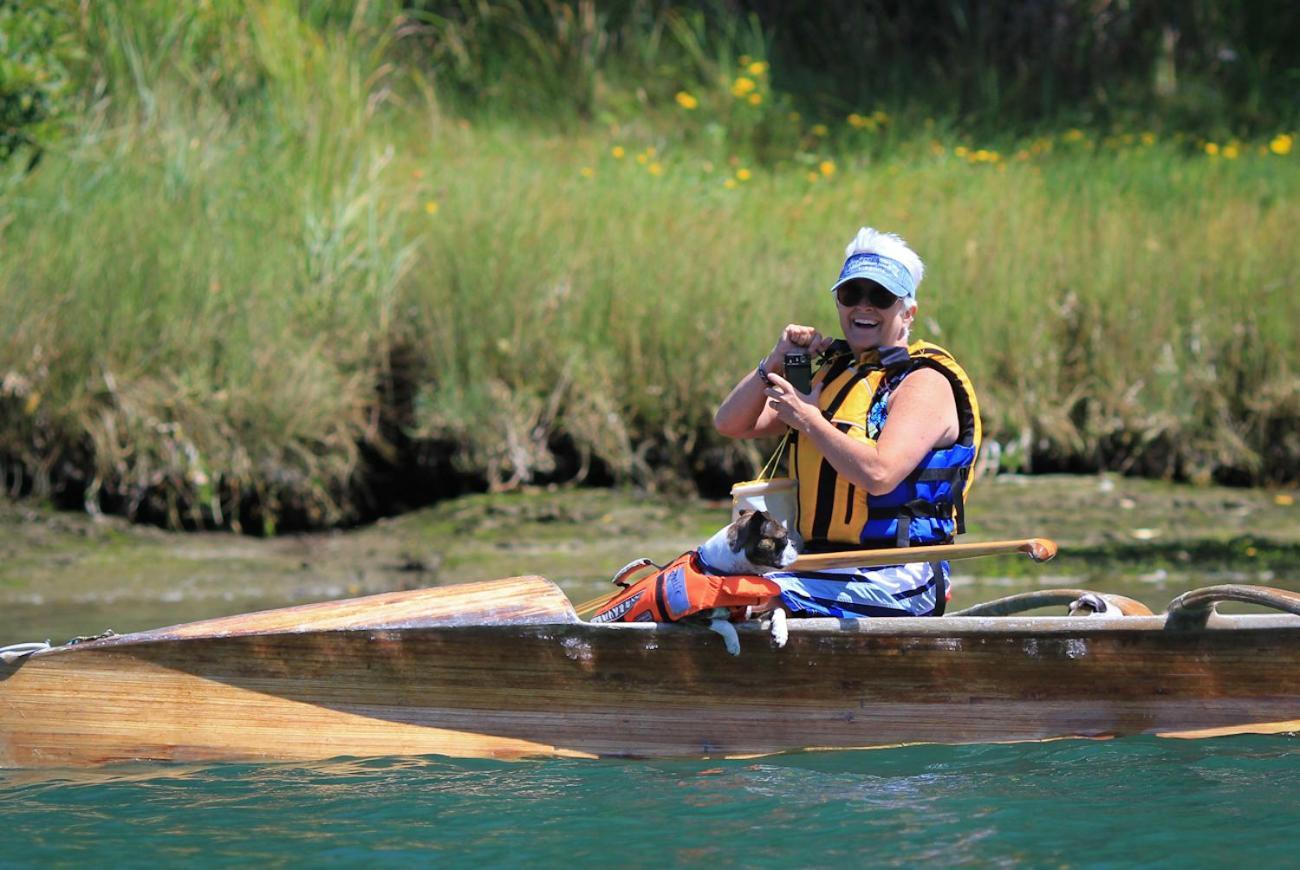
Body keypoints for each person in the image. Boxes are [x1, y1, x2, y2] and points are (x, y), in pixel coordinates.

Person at [713, 227, 981, 617]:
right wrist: (776, 360)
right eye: (851, 294)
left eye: (881, 297)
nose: (864, 306)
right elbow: (731, 423)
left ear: (908, 312)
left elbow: (880, 474)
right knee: (703, 581)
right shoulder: (832, 374)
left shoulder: (925, 382)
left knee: (744, 600)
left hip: (898, 575)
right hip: (818, 564)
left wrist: (808, 418)